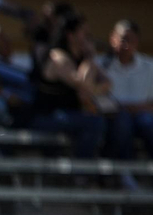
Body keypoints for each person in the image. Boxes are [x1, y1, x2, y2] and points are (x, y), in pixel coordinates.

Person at [28, 13, 107, 159]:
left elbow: (107, 83)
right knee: (94, 123)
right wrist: (89, 59)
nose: (88, 38)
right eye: (84, 33)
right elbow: (83, 85)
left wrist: (93, 86)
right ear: (71, 36)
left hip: (68, 115)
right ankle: (80, 172)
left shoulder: (81, 58)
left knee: (108, 121)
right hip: (47, 117)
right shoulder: (58, 57)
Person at [99, 19, 153, 163]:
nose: (125, 45)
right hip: (112, 119)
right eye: (122, 39)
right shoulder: (101, 65)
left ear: (137, 42)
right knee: (122, 122)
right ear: (112, 39)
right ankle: (123, 173)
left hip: (142, 117)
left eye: (130, 40)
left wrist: (133, 108)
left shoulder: (149, 67)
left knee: (148, 123)